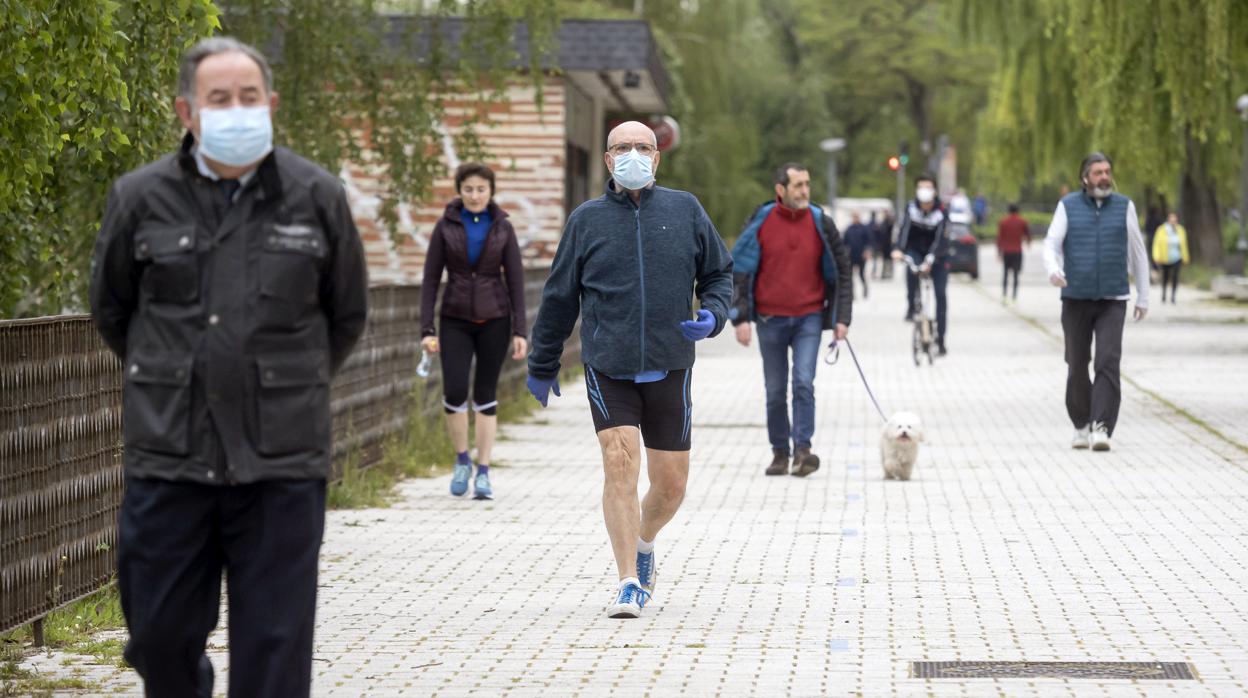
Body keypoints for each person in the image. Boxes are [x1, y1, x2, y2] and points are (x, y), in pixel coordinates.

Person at [89, 37, 368, 696]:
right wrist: (174, 378)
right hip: (170, 458)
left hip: (280, 464)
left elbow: (347, 314)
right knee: (158, 638)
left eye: (248, 98)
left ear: (270, 105)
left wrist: (282, 387)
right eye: (220, 99)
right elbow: (113, 309)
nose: (236, 110)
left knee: (274, 652)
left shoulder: (316, 197)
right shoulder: (139, 197)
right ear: (188, 111)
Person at [525, 121, 733, 619]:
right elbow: (559, 295)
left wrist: (714, 315)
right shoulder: (586, 220)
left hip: (670, 364)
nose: (634, 154)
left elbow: (719, 273)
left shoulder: (685, 210)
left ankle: (644, 542)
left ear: (657, 158)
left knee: (671, 485)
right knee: (619, 463)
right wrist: (543, 360)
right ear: (608, 159)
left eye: (643, 147)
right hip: (608, 363)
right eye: (623, 148)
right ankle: (626, 583)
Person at [729, 163, 853, 477]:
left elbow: (842, 271)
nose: (804, 191)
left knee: (803, 382)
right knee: (774, 390)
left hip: (809, 318)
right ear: (781, 190)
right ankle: (779, 452)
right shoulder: (761, 221)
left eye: (807, 184)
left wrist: (842, 318)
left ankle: (803, 450)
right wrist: (740, 318)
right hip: (770, 319)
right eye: (798, 185)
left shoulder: (820, 222)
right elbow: (739, 271)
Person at [420, 162, 528, 500]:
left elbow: (516, 280)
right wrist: (427, 328)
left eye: (481, 189)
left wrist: (520, 330)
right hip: (454, 319)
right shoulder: (445, 226)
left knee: (485, 395)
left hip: (495, 319)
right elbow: (429, 279)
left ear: (491, 191)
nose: (475, 195)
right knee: (454, 391)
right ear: (460, 190)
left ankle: (483, 471)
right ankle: (462, 459)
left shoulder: (503, 227)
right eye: (468, 189)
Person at [1043, 152, 1149, 452]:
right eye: (1098, 172)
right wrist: (1054, 270)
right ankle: (1081, 422)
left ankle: (1101, 426)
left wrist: (1143, 295)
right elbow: (1051, 243)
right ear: (1085, 177)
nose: (1104, 176)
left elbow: (1138, 253)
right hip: (1075, 296)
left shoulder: (1124, 206)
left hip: (1113, 298)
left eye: (1107, 171)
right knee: (1076, 363)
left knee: (1108, 361)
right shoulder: (1068, 206)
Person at [892, 173, 951, 355]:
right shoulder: (911, 209)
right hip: (916, 251)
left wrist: (931, 259)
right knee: (911, 268)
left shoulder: (942, 212)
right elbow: (904, 232)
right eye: (921, 187)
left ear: (934, 191)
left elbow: (940, 240)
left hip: (938, 257)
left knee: (940, 295)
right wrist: (898, 249)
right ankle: (911, 306)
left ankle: (940, 340)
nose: (924, 191)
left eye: (928, 188)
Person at [996, 203, 1031, 303]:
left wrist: (999, 253)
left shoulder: (1003, 222)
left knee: (1005, 274)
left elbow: (1000, 238)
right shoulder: (1022, 221)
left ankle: (1004, 295)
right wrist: (1028, 242)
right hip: (1017, 251)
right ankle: (1014, 296)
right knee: (1016, 274)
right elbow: (1027, 233)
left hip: (1007, 251)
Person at [1152, 211, 1189, 303]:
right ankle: (1164, 294)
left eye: (1175, 220)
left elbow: (1184, 245)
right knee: (1165, 277)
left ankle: (1173, 296)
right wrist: (1156, 256)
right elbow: (1156, 244)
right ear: (1168, 220)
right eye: (1172, 220)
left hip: (1177, 257)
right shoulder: (1161, 229)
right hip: (1165, 257)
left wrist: (1185, 257)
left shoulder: (1180, 230)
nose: (1173, 222)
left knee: (1175, 277)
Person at [843, 211, 873, 299]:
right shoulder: (849, 229)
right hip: (851, 256)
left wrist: (867, 251)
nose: (855, 218)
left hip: (861, 255)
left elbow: (869, 241)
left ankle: (865, 289)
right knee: (850, 276)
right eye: (854, 217)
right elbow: (844, 242)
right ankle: (852, 294)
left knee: (861, 274)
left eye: (856, 217)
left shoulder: (864, 228)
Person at [875, 212, 895, 280]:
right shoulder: (883, 223)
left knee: (889, 260)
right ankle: (884, 273)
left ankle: (889, 273)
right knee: (884, 260)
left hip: (888, 245)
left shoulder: (889, 223)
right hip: (884, 245)